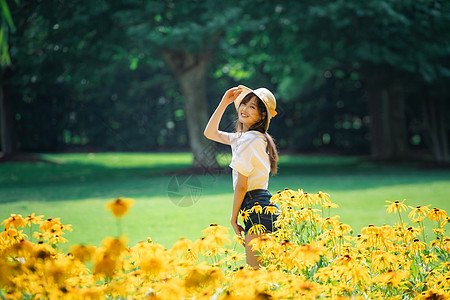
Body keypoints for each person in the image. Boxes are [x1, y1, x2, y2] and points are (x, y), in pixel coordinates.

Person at [204, 85, 280, 269]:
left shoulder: (248, 140)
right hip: (265, 207)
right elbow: (210, 133)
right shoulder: (251, 138)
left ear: (263, 116)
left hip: (255, 208)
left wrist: (233, 217)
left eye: (252, 107)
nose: (244, 109)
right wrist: (224, 102)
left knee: (256, 274)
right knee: (267, 274)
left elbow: (242, 186)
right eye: (244, 104)